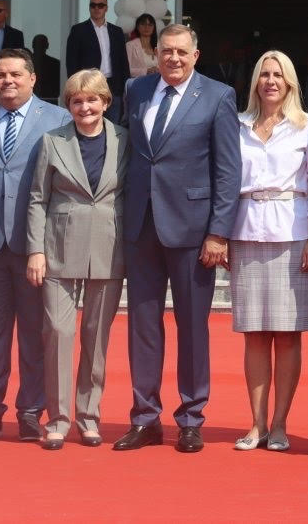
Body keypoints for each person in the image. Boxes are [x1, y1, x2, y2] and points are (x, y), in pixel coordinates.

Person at [115, 24, 240, 454]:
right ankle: (145, 417)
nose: (173, 58)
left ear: (195, 55)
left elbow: (228, 170)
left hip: (193, 230)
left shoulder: (218, 96)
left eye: (181, 52)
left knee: (192, 328)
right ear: (156, 54)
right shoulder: (135, 89)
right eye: (166, 51)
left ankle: (190, 418)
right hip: (141, 225)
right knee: (142, 327)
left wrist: (219, 232)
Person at [0, 48, 69, 442]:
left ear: (32, 78)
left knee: (34, 335)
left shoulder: (59, 120)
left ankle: (30, 412)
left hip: (36, 249)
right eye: (0, 75)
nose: (7, 81)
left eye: (15, 74)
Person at [25, 69, 127, 450]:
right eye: (77, 101)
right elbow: (38, 198)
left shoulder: (124, 140)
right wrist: (35, 250)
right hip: (58, 246)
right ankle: (58, 418)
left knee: (96, 337)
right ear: (68, 105)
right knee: (57, 332)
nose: (85, 107)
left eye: (92, 99)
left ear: (105, 102)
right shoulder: (53, 141)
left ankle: (89, 416)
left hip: (108, 247)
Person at [229, 51, 308, 452]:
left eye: (278, 75)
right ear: (255, 81)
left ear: (290, 83)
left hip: (293, 233)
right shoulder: (236, 125)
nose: (270, 81)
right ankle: (257, 423)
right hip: (246, 231)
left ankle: (280, 423)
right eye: (264, 74)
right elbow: (226, 181)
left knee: (287, 335)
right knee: (253, 334)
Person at [65, 0, 130, 107]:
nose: (96, 8)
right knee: (90, 117)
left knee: (113, 118)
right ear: (89, 7)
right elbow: (71, 61)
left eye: (100, 5)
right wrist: (76, 86)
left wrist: (125, 86)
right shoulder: (78, 30)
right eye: (93, 5)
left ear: (106, 8)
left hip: (113, 86)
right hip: (88, 84)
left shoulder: (117, 31)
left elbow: (123, 61)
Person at [126, 14, 158, 80]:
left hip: (157, 82)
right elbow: (126, 69)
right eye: (143, 24)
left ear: (154, 28)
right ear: (137, 27)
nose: (146, 27)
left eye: (150, 25)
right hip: (139, 82)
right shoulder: (130, 45)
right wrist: (146, 71)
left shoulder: (159, 45)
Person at [31, 35, 62, 104]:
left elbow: (57, 86)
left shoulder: (55, 64)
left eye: (42, 44)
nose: (39, 47)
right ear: (47, 46)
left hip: (50, 100)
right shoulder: (55, 63)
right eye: (38, 44)